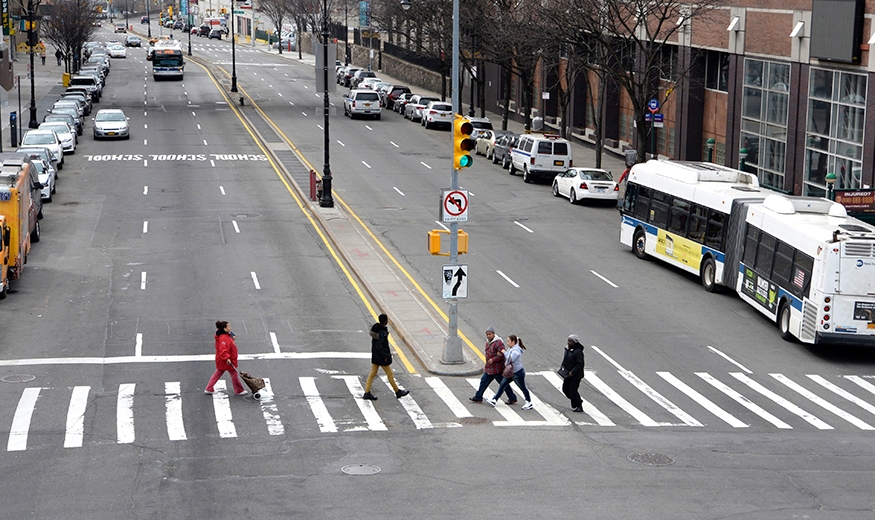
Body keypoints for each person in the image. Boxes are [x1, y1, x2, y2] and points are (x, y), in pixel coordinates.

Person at [362, 314, 409, 400]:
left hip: (376, 356)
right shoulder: (381, 332)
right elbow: (380, 346)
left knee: (372, 374)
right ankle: (397, 391)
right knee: (390, 374)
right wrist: (385, 356)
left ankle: (367, 392)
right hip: (381, 357)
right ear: (385, 322)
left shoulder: (376, 328)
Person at [469, 327, 518, 404]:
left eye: (490, 334)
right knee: (483, 382)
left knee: (503, 384)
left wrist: (493, 359)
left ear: (494, 334)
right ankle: (478, 397)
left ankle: (512, 398)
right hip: (489, 368)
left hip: (497, 369)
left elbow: (502, 354)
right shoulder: (488, 342)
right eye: (487, 334)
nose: (488, 336)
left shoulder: (498, 342)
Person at [487, 334, 532, 410]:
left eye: (508, 341)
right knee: (502, 384)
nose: (507, 343)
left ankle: (528, 402)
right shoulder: (511, 348)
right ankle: (494, 399)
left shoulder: (516, 350)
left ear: (513, 342)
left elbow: (510, 359)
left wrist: (504, 352)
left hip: (517, 373)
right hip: (510, 372)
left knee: (522, 387)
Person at [205, 320, 247, 396]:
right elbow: (223, 349)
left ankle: (209, 388)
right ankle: (239, 390)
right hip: (227, 360)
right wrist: (227, 358)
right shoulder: (223, 338)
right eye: (229, 327)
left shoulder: (224, 336)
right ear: (224, 328)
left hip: (223, 360)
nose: (230, 328)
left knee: (218, 373)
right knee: (234, 374)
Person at [561, 334, 586, 412]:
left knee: (573, 391)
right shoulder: (568, 349)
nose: (568, 342)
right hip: (567, 374)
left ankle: (579, 405)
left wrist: (573, 372)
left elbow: (580, 364)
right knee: (565, 389)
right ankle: (576, 400)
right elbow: (565, 360)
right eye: (568, 340)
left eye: (570, 341)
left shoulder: (578, 352)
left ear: (575, 342)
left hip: (575, 376)